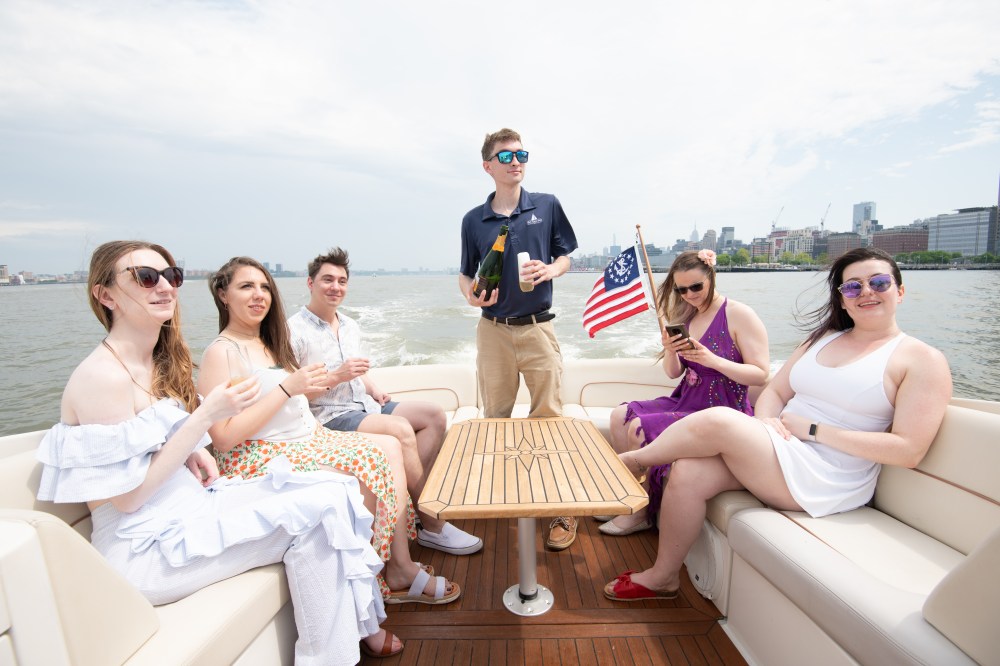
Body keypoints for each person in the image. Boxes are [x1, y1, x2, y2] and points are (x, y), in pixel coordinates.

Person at [35, 241, 400, 663]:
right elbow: (128, 498)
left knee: (337, 492)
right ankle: (332, 653)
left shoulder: (151, 364)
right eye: (145, 277)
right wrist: (201, 420)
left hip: (191, 510)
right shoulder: (102, 377)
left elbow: (153, 443)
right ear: (105, 295)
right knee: (320, 512)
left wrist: (192, 452)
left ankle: (361, 625)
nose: (165, 287)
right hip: (147, 548)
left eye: (171, 276)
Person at [604, 247, 952, 601]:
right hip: (781, 448)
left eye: (879, 282)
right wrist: (768, 420)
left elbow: (909, 451)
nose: (866, 292)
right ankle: (664, 577)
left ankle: (628, 465)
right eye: (852, 287)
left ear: (900, 291)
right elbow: (773, 390)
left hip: (827, 475)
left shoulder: (921, 359)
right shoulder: (821, 339)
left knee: (722, 420)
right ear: (842, 300)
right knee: (688, 472)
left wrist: (813, 430)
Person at [198, 256, 460, 607]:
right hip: (263, 453)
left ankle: (399, 563)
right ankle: (400, 559)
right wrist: (290, 388)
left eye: (264, 287)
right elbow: (224, 438)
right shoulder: (221, 352)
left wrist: (367, 385)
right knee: (380, 450)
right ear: (222, 294)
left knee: (391, 446)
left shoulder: (267, 342)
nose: (259, 295)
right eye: (246, 286)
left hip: (304, 435)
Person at [287, 248, 482, 556]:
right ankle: (432, 523)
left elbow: (356, 370)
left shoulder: (350, 325)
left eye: (341, 280)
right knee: (402, 429)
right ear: (310, 284)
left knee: (433, 416)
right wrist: (337, 377)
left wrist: (374, 388)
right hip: (329, 416)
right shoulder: (293, 330)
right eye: (327, 279)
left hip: (365, 404)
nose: (335, 287)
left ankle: (407, 499)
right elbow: (293, 395)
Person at [459, 127, 579, 550]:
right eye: (506, 156)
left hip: (538, 327)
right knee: (494, 419)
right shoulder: (473, 220)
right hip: (493, 331)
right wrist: (471, 297)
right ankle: (500, 498)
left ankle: (559, 508)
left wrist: (552, 270)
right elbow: (465, 273)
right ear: (488, 166)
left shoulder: (547, 206)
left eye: (521, 154)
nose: (516, 161)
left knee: (549, 418)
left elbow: (566, 254)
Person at [601, 249, 770, 535]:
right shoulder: (687, 315)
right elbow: (673, 373)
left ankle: (643, 510)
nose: (689, 294)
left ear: (711, 277)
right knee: (619, 415)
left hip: (722, 406)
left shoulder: (739, 314)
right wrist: (670, 349)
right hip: (686, 397)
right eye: (682, 289)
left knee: (639, 427)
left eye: (696, 287)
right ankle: (632, 500)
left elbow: (760, 372)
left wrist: (712, 360)